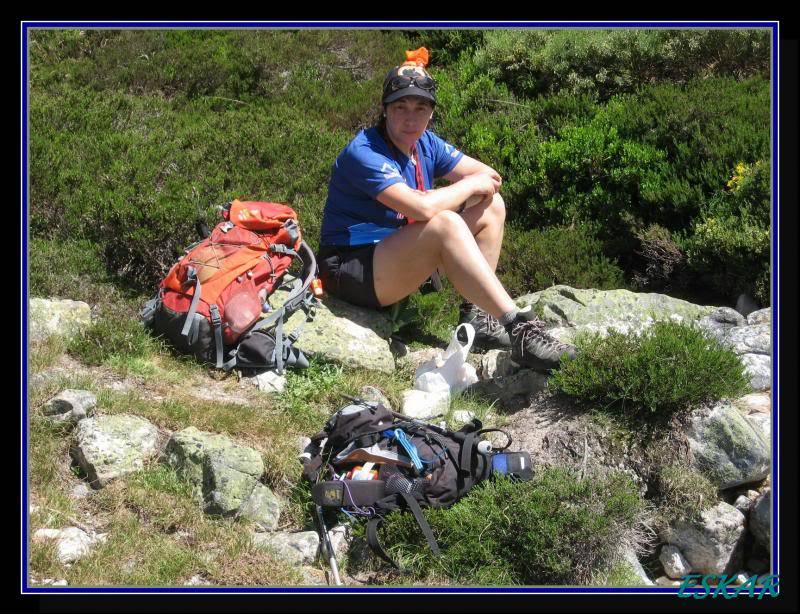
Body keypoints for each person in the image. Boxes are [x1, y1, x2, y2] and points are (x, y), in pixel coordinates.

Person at [317, 47, 576, 371]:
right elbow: (424, 208)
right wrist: (463, 188)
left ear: (431, 112)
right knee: (446, 223)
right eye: (400, 107)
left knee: (492, 206)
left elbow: (490, 178)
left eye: (420, 107)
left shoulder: (425, 143)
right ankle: (520, 330)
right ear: (385, 110)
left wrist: (467, 189)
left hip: (392, 255)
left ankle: (479, 319)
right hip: (349, 267)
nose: (410, 118)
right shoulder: (365, 152)